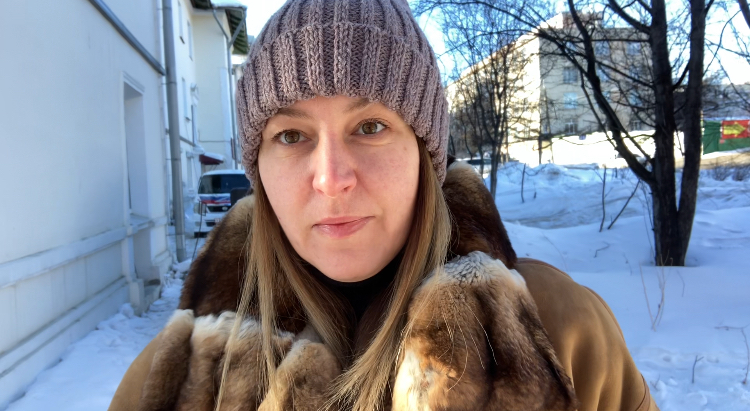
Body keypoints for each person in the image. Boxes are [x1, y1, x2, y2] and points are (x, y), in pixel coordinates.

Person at [108, 0, 658, 410]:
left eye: (370, 126)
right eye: (291, 136)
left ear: (424, 152)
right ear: (259, 168)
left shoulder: (560, 333)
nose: (331, 179)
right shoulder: (178, 376)